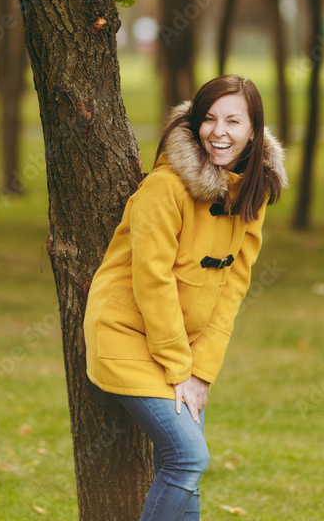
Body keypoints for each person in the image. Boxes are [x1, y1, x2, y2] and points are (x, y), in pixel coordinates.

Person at [83, 74, 287, 521]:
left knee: (180, 467)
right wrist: (180, 369)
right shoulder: (166, 187)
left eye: (234, 121)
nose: (220, 132)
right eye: (210, 119)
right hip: (125, 333)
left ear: (253, 130)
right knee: (189, 458)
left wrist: (202, 372)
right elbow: (152, 281)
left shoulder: (252, 191)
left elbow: (232, 288)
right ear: (195, 124)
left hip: (183, 351)